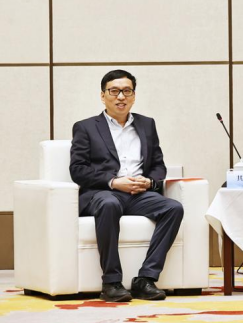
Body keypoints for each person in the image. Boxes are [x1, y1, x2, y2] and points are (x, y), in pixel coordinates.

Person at [70, 69, 183, 302]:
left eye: (127, 91)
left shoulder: (147, 124)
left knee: (173, 208)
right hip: (103, 193)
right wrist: (113, 182)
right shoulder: (86, 127)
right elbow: (78, 170)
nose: (121, 96)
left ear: (133, 96)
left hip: (139, 194)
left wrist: (149, 181)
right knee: (109, 204)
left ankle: (146, 279)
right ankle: (111, 282)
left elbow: (158, 165)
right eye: (114, 91)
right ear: (103, 96)